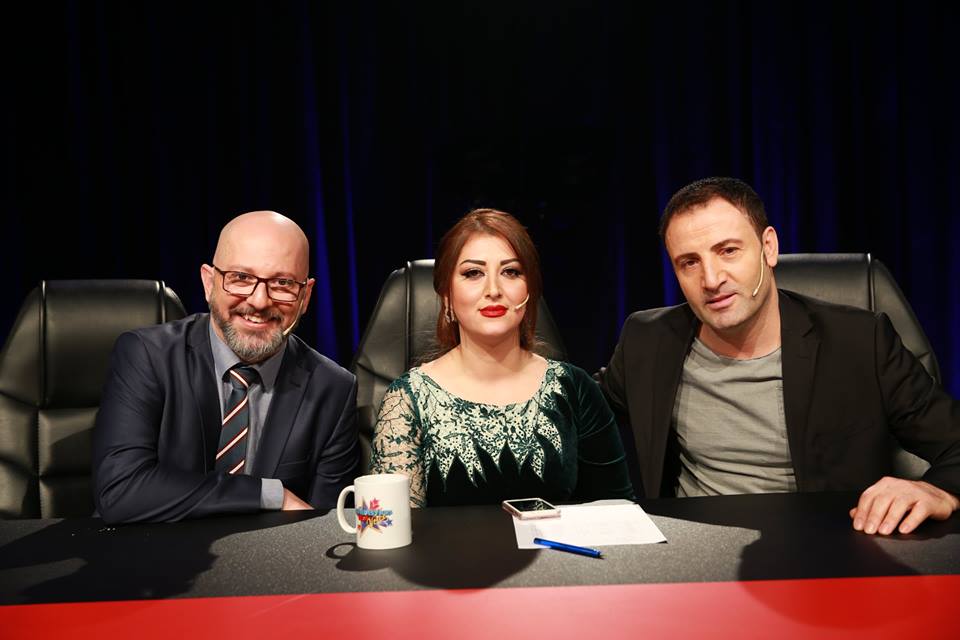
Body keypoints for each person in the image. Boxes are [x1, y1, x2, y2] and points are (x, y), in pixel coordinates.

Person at [599, 177, 960, 535]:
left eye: (728, 251)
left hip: (826, 547)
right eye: (689, 262)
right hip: (693, 552)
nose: (710, 279)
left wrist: (935, 490)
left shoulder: (860, 342)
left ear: (768, 248)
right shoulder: (649, 340)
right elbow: (583, 412)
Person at [93, 211, 359, 523]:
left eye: (282, 283)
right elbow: (120, 489)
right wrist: (270, 494)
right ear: (209, 283)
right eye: (241, 278)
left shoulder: (334, 388)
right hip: (151, 551)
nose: (259, 301)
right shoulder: (147, 356)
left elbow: (324, 526)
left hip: (272, 553)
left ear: (305, 296)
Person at [369, 209, 633, 507]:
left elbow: (619, 514)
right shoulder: (408, 398)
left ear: (529, 291)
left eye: (511, 272)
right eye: (473, 273)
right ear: (446, 296)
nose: (493, 290)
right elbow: (390, 525)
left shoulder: (574, 388)